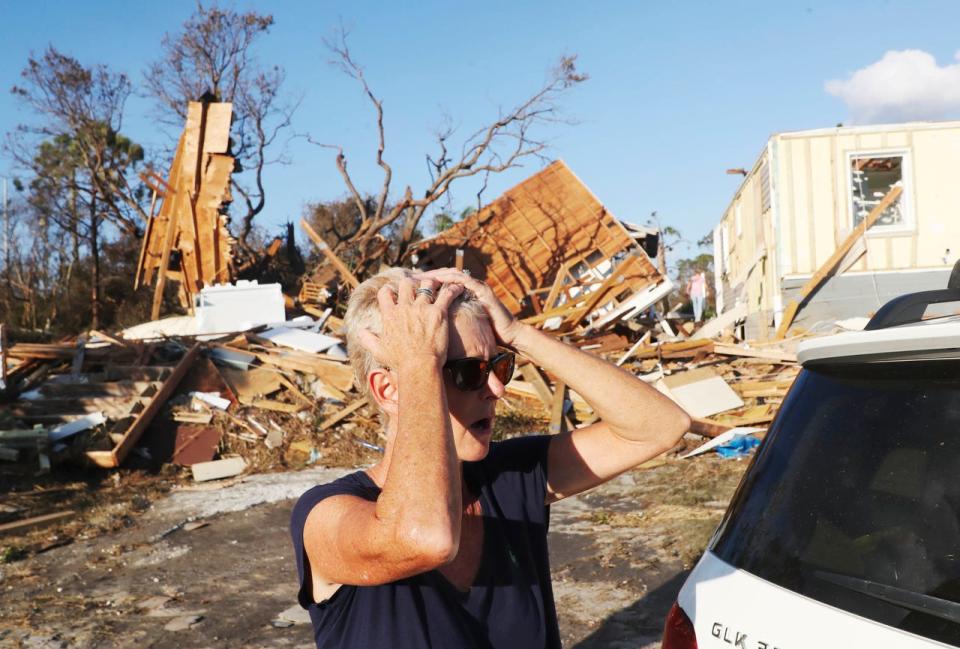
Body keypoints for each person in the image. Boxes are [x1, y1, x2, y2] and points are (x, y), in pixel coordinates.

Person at [290, 267, 691, 649]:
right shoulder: (326, 515)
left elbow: (660, 426)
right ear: (389, 390)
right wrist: (417, 362)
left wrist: (518, 334)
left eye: (499, 364)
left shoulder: (508, 477)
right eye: (469, 373)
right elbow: (426, 538)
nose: (496, 389)